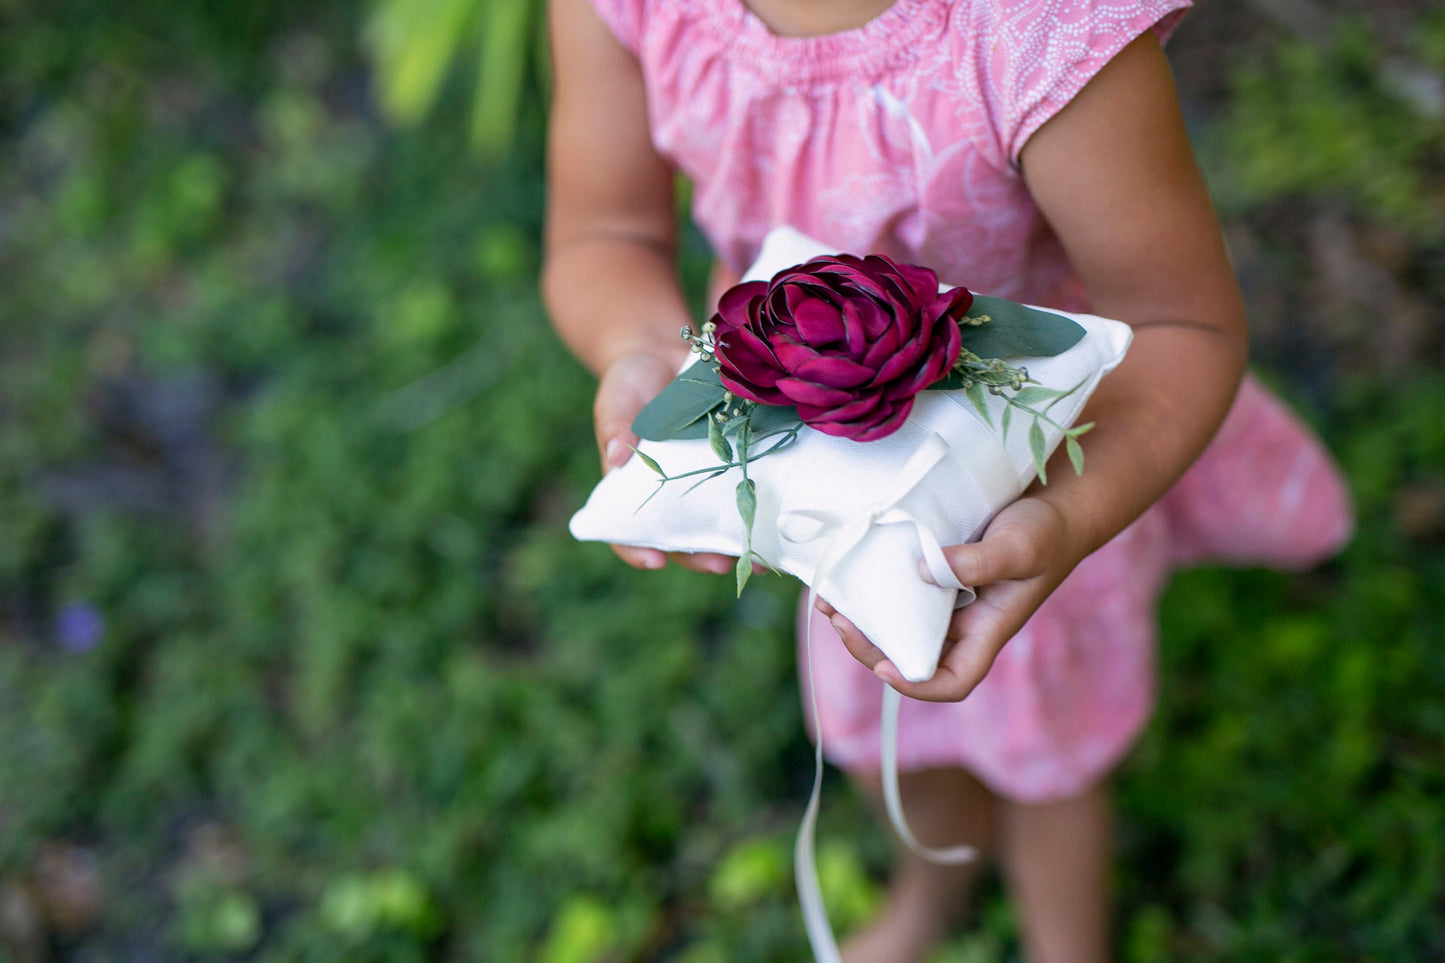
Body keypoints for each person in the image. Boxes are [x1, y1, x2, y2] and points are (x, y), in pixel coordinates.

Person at [541, 0, 1354, 960]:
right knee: (880, 710)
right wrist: (645, 355)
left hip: (1038, 471)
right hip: (826, 487)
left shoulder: (1041, 33)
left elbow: (1184, 325)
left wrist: (1063, 519)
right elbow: (605, 232)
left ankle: (1067, 941)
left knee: (1048, 759)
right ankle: (933, 886)